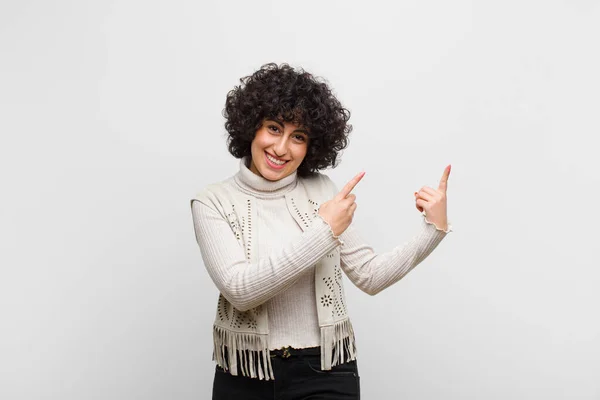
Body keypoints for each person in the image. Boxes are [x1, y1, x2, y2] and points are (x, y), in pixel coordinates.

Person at [190, 63, 453, 399]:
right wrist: (324, 230)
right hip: (246, 371)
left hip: (325, 368)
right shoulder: (212, 201)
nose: (282, 148)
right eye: (273, 128)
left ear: (311, 145)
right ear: (251, 127)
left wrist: (433, 229)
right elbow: (241, 291)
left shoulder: (323, 191)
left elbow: (370, 276)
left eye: (297, 137)